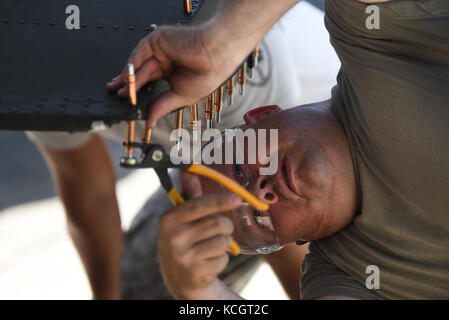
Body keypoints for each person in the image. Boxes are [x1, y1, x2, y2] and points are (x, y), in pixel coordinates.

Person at [109, 0, 449, 299]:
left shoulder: (374, 39)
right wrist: (199, 292)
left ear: (262, 114)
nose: (259, 192)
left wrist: (219, 43)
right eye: (258, 218)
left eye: (240, 170)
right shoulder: (356, 273)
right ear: (293, 242)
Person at [27, 3, 309, 299]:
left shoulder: (239, 65)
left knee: (250, 217)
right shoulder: (37, 70)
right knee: (150, 282)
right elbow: (90, 194)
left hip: (316, 161)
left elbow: (276, 228)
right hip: (213, 158)